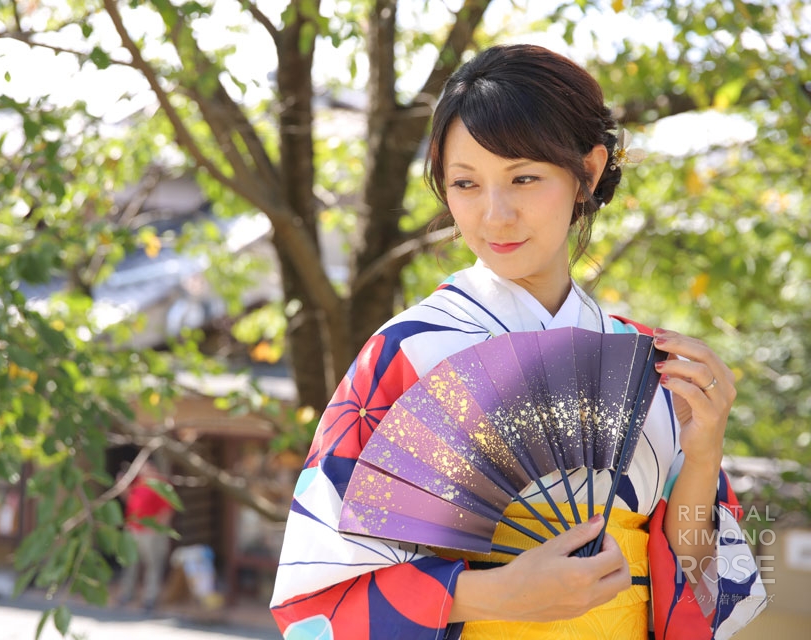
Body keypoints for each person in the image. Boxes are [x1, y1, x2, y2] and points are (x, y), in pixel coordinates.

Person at [270, 44, 767, 639]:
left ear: (587, 171)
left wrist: (705, 448)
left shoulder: (647, 366)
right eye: (466, 184)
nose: (493, 214)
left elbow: (700, 583)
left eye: (524, 177)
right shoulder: (407, 353)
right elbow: (318, 596)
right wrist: (491, 595)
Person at [116, 459, 174, 612]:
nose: (141, 470)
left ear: (152, 468)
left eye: (143, 467)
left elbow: (167, 510)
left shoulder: (161, 485)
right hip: (133, 530)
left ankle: (150, 597)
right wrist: (122, 488)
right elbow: (131, 500)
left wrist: (159, 529)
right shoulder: (139, 483)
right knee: (130, 564)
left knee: (152, 565)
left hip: (150, 532)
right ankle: (127, 593)